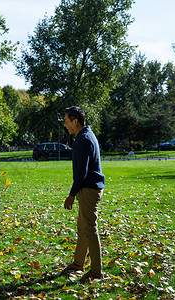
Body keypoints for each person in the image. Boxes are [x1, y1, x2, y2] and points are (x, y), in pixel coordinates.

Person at [61, 106, 105, 283]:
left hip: (89, 189)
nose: (65, 125)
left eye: (66, 121)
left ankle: (96, 271)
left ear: (75, 121)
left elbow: (82, 171)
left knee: (90, 229)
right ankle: (78, 264)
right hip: (87, 188)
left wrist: (71, 195)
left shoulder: (84, 139)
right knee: (83, 227)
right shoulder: (85, 135)